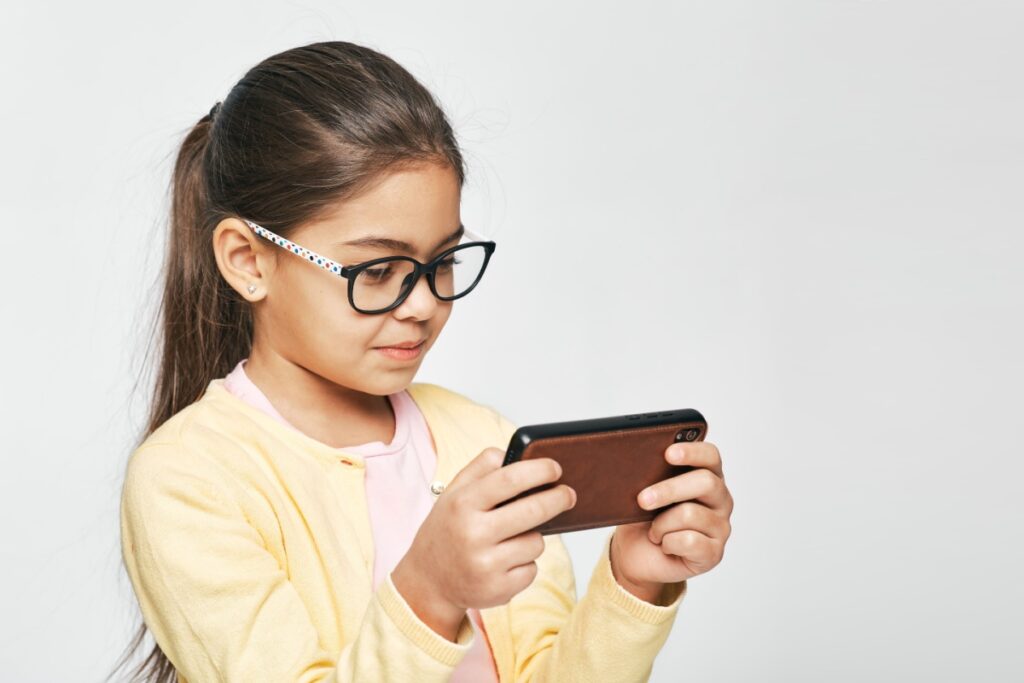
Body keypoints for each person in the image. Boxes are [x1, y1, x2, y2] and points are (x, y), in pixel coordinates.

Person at [112, 40, 734, 683]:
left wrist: (633, 584)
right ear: (248, 260)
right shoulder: (187, 481)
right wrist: (430, 594)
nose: (422, 305)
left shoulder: (481, 442)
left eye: (442, 264)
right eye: (378, 270)